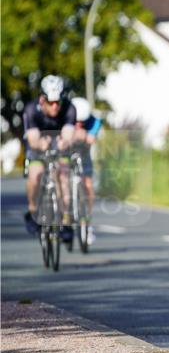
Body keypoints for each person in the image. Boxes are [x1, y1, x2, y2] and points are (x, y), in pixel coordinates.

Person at [23, 75, 76, 242]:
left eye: (57, 102)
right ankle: (33, 211)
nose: (54, 106)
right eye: (50, 102)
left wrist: (64, 142)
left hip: (59, 146)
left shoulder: (69, 108)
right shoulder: (31, 110)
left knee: (63, 178)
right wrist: (41, 143)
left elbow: (69, 133)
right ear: (42, 100)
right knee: (36, 175)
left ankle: (65, 222)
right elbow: (32, 139)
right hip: (38, 147)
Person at [71, 97, 102, 245]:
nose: (79, 124)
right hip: (66, 155)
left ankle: (87, 225)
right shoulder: (65, 117)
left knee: (88, 186)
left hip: (83, 156)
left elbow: (91, 138)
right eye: (76, 121)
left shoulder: (94, 121)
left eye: (82, 122)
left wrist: (88, 136)